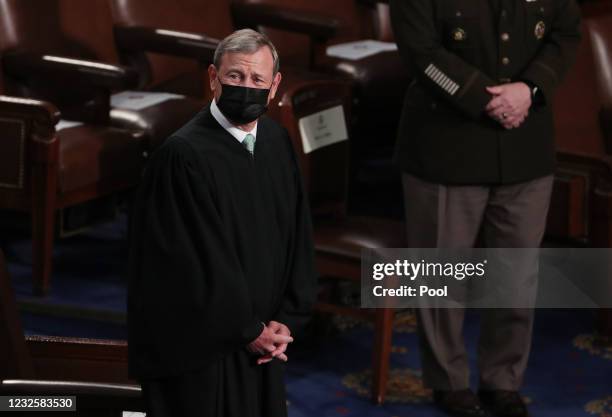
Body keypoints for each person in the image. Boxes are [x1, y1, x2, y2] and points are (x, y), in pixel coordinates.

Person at [389, 1, 581, 417]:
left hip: (524, 143)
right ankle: (448, 382)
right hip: (447, 142)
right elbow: (420, 51)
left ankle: (502, 381)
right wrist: (485, 98)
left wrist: (528, 89)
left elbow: (564, 35)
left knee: (516, 276)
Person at [127, 29, 316, 417]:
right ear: (213, 77)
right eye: (235, 77)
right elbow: (188, 263)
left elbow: (297, 231)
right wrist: (248, 331)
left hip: (264, 339)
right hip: (204, 349)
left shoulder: (276, 142)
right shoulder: (182, 156)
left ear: (275, 85)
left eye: (257, 79)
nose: (246, 87)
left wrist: (285, 318)